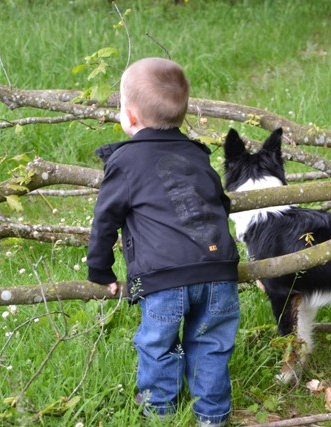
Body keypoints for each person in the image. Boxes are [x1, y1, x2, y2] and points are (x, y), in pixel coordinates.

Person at [86, 57, 240, 427]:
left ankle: (159, 416)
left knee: (158, 346)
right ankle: (212, 417)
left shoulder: (126, 162)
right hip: (219, 273)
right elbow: (220, 204)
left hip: (164, 280)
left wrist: (100, 269)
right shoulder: (198, 155)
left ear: (131, 117)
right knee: (212, 345)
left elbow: (105, 220)